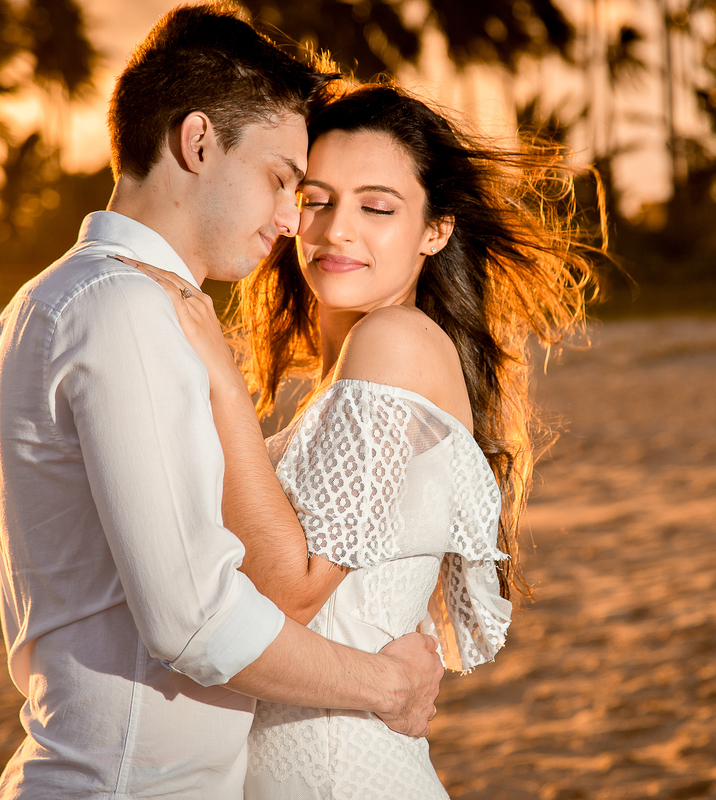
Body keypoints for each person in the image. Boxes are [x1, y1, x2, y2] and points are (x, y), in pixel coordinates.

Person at [0, 8, 443, 799]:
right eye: (282, 179)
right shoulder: (120, 306)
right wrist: (384, 687)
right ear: (197, 142)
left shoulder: (59, 298)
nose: (294, 219)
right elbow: (193, 617)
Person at [118, 82, 599, 798]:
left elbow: (291, 588)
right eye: (316, 200)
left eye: (378, 207)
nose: (338, 229)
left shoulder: (395, 343)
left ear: (435, 231)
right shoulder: (347, 374)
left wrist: (220, 380)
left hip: (340, 776)